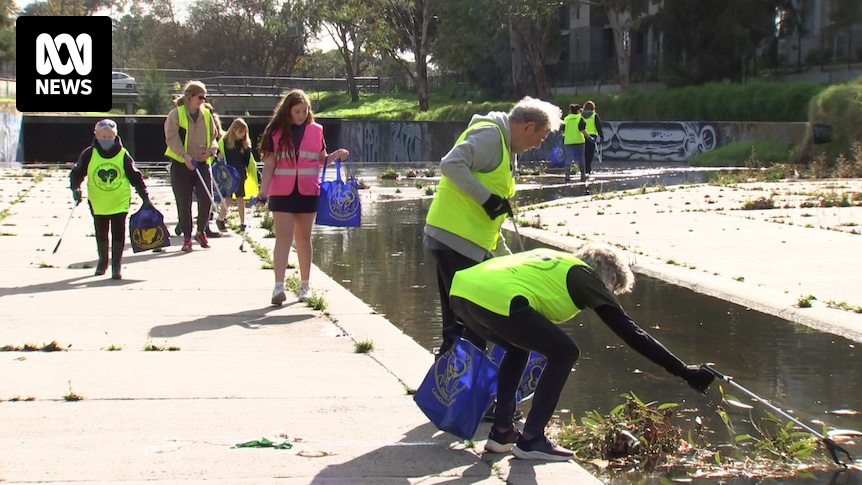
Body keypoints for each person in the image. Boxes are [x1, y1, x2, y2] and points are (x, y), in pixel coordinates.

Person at [449, 243, 716, 461]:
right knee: (565, 352)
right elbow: (631, 333)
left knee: (518, 348)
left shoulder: (554, 260)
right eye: (613, 289)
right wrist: (683, 371)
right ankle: (531, 439)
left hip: (462, 292)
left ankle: (502, 432)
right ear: (609, 276)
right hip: (496, 296)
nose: (609, 294)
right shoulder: (584, 276)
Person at [424, 96, 563, 358]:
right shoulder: (490, 135)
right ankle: (453, 392)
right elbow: (450, 164)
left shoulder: (505, 145)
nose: (538, 145)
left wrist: (511, 263)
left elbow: (492, 212)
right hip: (454, 237)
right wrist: (487, 199)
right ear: (527, 126)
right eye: (541, 137)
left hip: (468, 240)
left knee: (465, 324)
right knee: (470, 324)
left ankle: (454, 392)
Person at [256, 89, 349, 305]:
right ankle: (278, 286)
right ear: (287, 112)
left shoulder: (316, 131)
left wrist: (335, 156)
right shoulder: (276, 132)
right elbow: (269, 164)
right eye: (297, 111)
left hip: (307, 191)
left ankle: (305, 286)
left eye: (305, 110)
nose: (301, 114)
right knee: (283, 239)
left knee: (303, 239)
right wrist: (263, 190)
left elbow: (320, 160)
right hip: (282, 192)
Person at [70, 119, 151, 280]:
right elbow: (77, 172)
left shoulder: (123, 154)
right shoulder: (89, 154)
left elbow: (135, 176)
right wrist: (75, 188)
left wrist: (144, 196)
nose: (106, 139)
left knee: (118, 232)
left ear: (115, 136)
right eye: (103, 136)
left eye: (110, 136)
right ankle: (102, 262)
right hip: (98, 200)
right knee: (101, 231)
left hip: (119, 200)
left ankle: (116, 266)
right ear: (96, 135)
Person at [164, 80, 220, 252]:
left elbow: (214, 137)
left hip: (202, 163)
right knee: (184, 201)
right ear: (189, 97)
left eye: (205, 98)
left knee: (206, 198)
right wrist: (184, 156)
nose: (203, 101)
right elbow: (171, 138)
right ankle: (187, 237)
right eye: (200, 97)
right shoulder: (176, 115)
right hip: (182, 164)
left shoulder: (207, 115)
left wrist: (211, 151)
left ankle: (201, 231)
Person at [215, 117, 257, 233]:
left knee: (240, 198)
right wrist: (219, 157)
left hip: (240, 175)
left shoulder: (244, 145)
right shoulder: (224, 142)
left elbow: (248, 161)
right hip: (229, 175)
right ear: (234, 130)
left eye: (244, 133)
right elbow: (217, 154)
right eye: (241, 132)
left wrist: (251, 172)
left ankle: (243, 223)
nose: (243, 135)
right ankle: (221, 218)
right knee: (227, 198)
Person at [561, 103, 588, 183]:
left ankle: (567, 175)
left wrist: (563, 137)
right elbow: (582, 130)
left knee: (568, 158)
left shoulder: (566, 119)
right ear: (578, 110)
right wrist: (589, 137)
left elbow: (562, 131)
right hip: (579, 141)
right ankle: (583, 175)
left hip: (568, 141)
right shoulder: (580, 118)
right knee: (581, 158)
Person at [581, 100, 604, 179]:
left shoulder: (580, 115)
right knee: (590, 154)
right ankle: (588, 169)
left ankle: (584, 169)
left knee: (584, 154)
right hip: (592, 136)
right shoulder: (594, 115)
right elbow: (598, 126)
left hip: (582, 135)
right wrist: (601, 136)